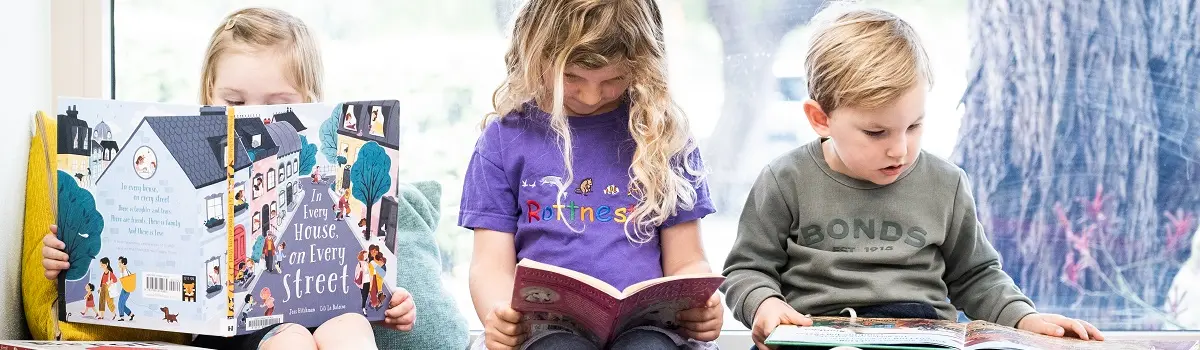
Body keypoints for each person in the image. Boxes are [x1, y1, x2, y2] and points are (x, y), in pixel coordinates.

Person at [718, 5, 1106, 350]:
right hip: (813, 333)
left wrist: (1023, 318)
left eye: (914, 126)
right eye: (876, 132)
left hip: (922, 334)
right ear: (821, 119)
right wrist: (764, 305)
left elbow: (976, 275)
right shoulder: (784, 180)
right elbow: (747, 270)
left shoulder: (946, 183)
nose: (899, 149)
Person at [39, 7, 415, 350]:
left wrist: (392, 305)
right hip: (234, 335)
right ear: (209, 95)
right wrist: (64, 256)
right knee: (292, 341)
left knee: (350, 326)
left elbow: (366, 279)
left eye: (276, 103)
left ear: (312, 101)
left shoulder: (312, 165)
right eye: (235, 102)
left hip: (324, 313)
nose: (255, 115)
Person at [461, 1, 723, 349]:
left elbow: (687, 259)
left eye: (613, 80)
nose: (591, 95)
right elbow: (490, 265)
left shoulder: (663, 135)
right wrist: (498, 314)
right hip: (544, 330)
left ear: (642, 66)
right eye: (571, 78)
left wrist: (700, 306)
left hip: (650, 329)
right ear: (535, 55)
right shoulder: (504, 139)